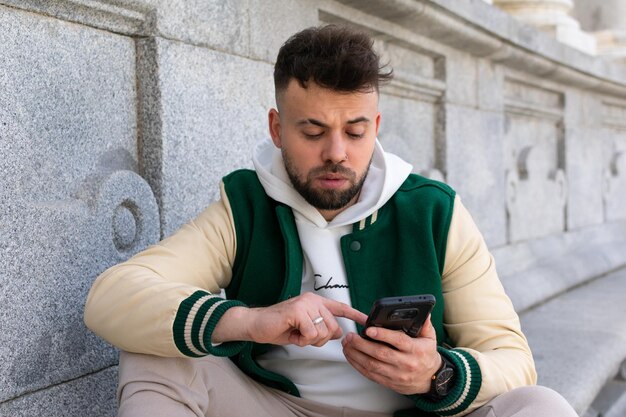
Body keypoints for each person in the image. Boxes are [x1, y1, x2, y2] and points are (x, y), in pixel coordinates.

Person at [84, 25, 578, 417]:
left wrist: (437, 375)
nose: (337, 153)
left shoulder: (434, 211)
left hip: (410, 413)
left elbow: (514, 360)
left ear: (376, 128)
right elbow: (113, 296)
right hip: (275, 408)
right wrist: (249, 321)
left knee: (543, 408)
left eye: (355, 131)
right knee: (155, 355)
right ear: (278, 129)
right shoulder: (245, 204)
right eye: (314, 131)